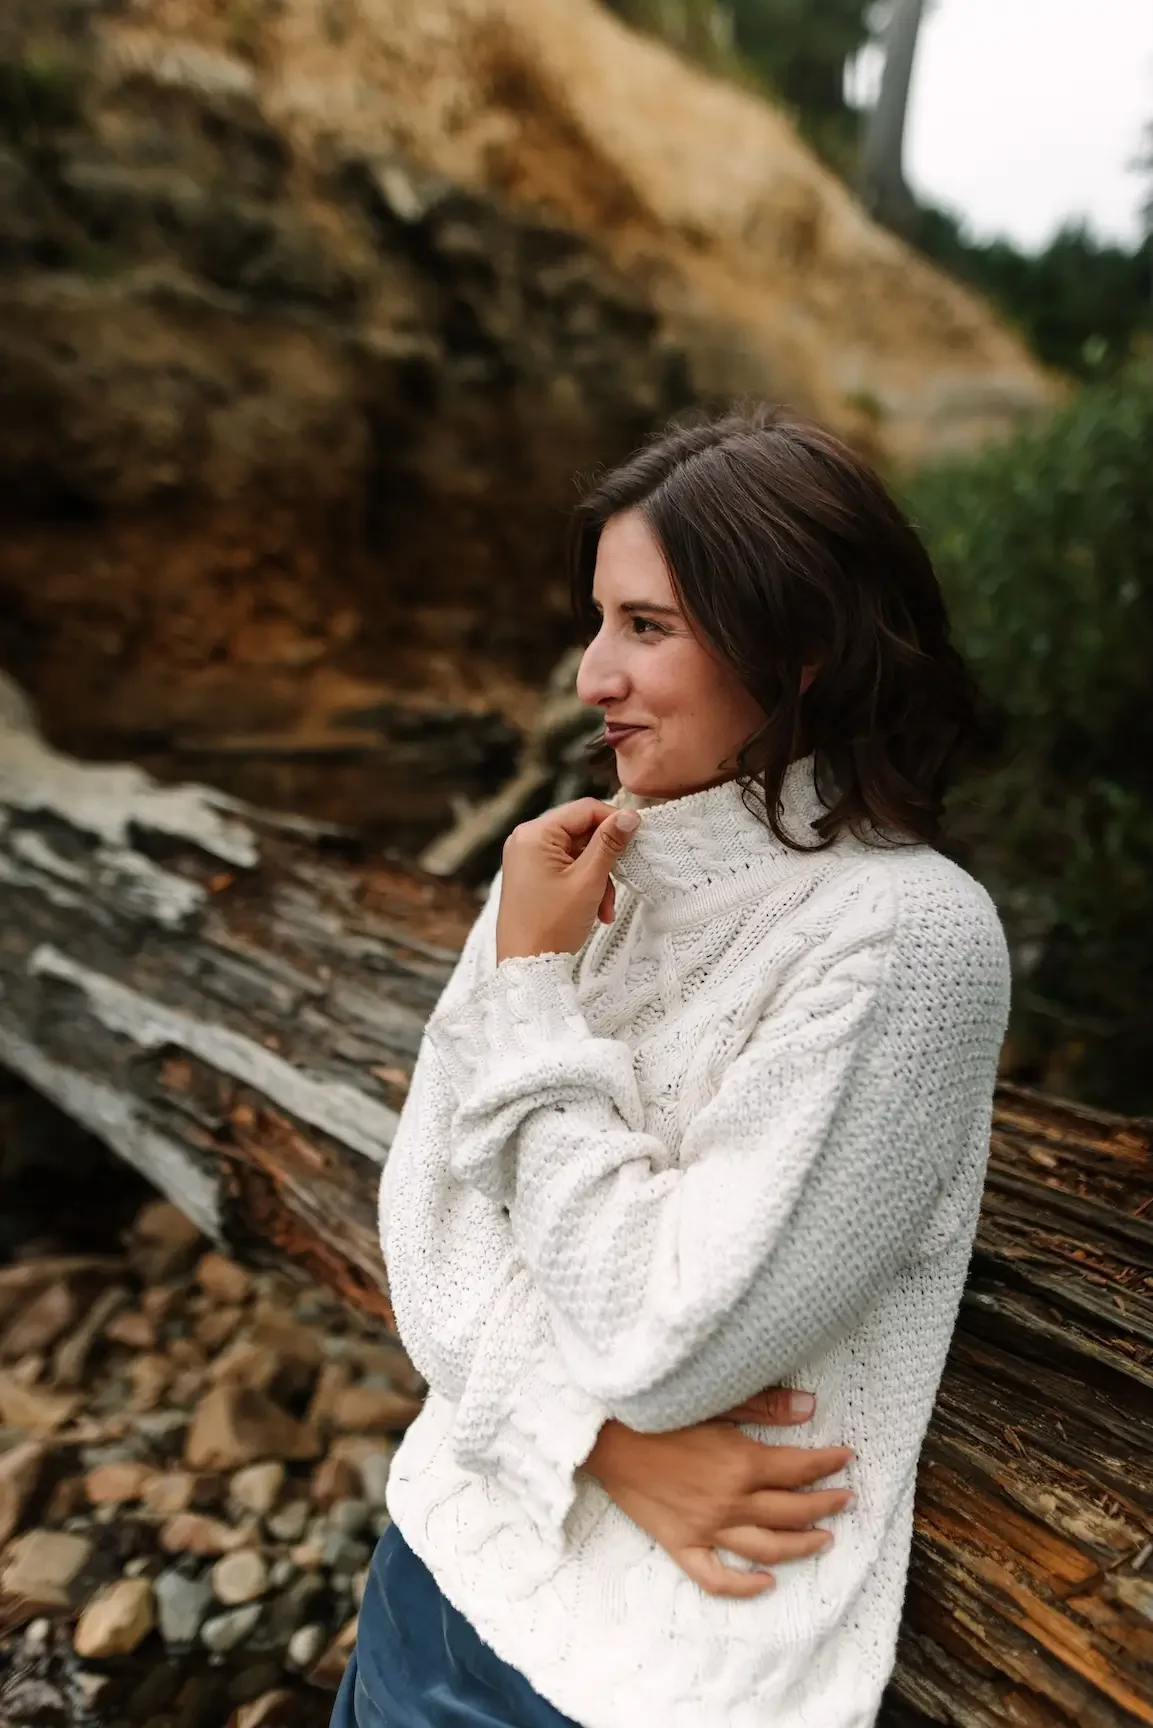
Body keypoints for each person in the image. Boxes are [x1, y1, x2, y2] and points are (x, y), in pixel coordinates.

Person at [331, 405, 1012, 1728]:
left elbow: (664, 1335)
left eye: (648, 627)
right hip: (438, 1558)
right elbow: (422, 1223)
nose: (592, 676)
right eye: (601, 621)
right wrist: (600, 1447)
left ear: (800, 646)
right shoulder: (566, 867)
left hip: (653, 1674)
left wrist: (531, 993)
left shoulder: (907, 939)